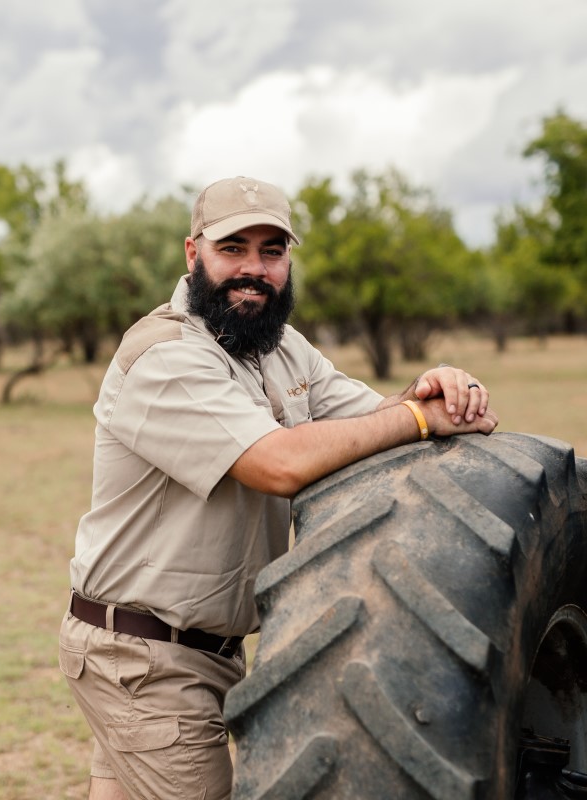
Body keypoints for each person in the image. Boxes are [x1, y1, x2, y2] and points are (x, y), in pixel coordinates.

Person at [59, 176, 498, 800]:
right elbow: (278, 464)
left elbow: (374, 423)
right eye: (232, 248)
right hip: (142, 655)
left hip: (208, 648)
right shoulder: (164, 355)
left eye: (272, 251)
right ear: (193, 253)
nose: (254, 269)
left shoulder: (280, 346)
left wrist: (433, 391)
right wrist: (419, 419)